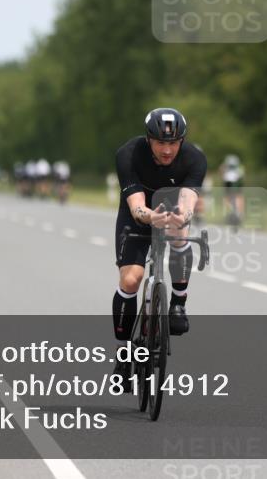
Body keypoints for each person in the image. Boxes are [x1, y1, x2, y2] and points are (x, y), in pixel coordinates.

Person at [111, 108, 206, 380]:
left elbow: (188, 201)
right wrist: (151, 217)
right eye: (161, 143)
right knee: (131, 280)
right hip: (138, 213)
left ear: (182, 142)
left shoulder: (194, 158)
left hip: (172, 207)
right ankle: (124, 353)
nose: (167, 150)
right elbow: (136, 206)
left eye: (173, 143)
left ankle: (178, 301)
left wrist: (182, 216)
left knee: (179, 230)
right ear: (148, 139)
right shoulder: (129, 154)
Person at [220, 154, 245, 225]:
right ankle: (238, 214)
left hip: (232, 187)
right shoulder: (239, 170)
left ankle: (237, 214)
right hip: (233, 188)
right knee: (237, 198)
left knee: (233, 198)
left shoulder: (228, 172)